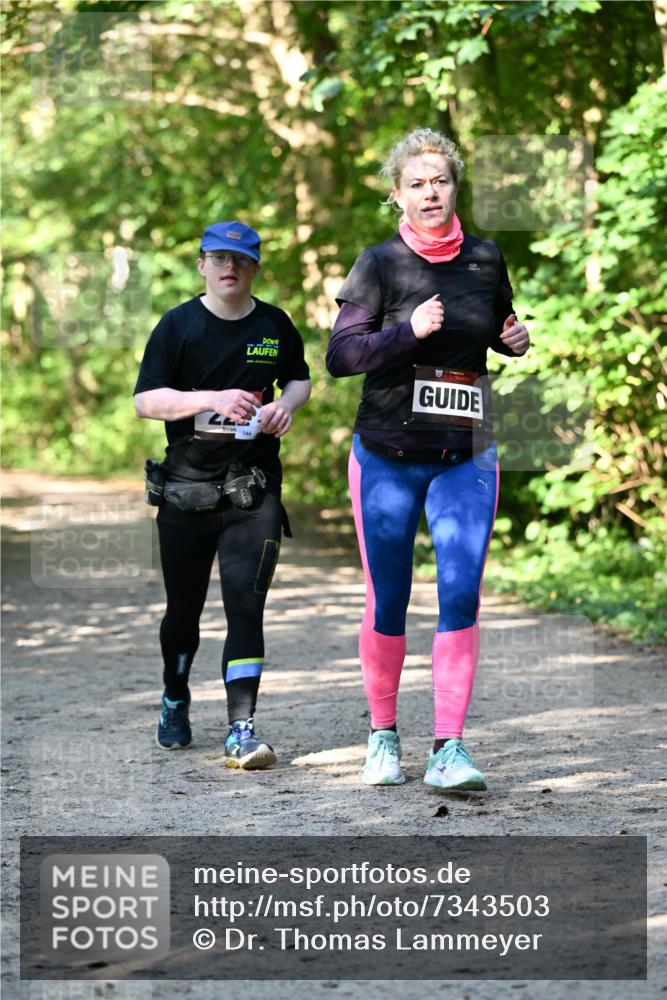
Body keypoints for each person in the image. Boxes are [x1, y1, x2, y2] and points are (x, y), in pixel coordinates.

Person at [326, 129, 529, 790]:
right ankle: (382, 737)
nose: (430, 191)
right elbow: (341, 357)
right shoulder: (378, 264)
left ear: (454, 186)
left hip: (463, 452)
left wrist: (513, 340)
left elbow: (496, 332)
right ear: (398, 195)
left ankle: (449, 748)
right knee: (389, 596)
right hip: (385, 453)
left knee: (460, 589)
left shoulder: (485, 258)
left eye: (439, 180)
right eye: (416, 183)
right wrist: (405, 332)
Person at [135, 221, 311, 769]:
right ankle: (174, 698)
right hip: (186, 493)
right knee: (183, 612)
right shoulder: (178, 325)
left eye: (241, 260)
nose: (229, 268)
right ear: (202, 265)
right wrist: (210, 397)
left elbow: (299, 379)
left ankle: (242, 728)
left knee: (245, 607)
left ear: (255, 267)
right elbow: (146, 402)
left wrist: (287, 406)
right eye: (218, 258)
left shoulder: (274, 323)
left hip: (252, 494)